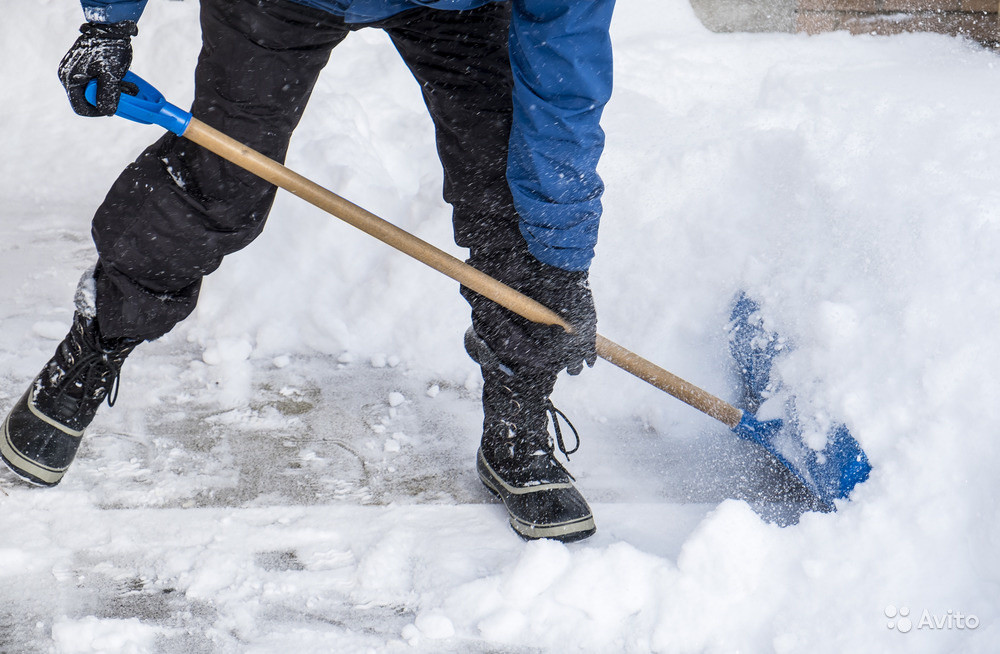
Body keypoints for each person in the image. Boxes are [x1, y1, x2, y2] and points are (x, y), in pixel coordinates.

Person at [0, 0, 614, 543]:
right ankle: (98, 340)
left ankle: (518, 410)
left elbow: (564, 84)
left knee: (514, 184)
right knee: (221, 179)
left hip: (457, 6)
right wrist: (110, 21)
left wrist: (559, 265)